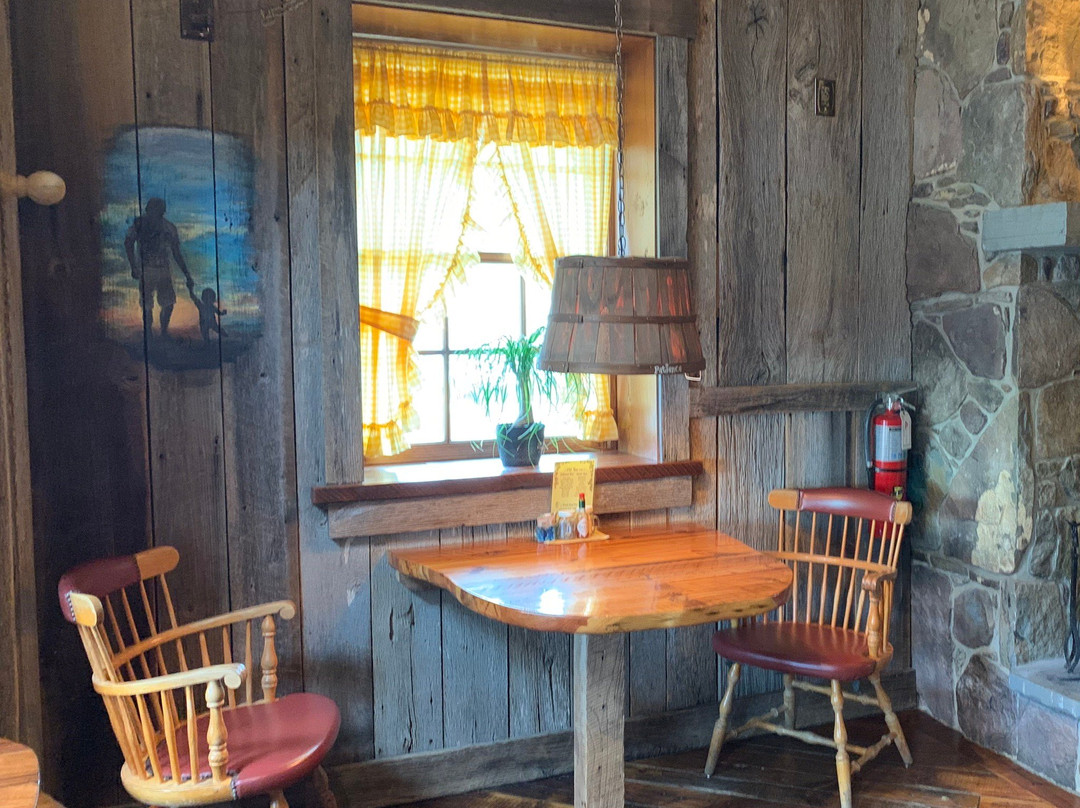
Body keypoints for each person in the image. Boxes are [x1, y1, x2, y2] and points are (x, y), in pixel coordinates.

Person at [124, 197, 194, 339]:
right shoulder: (139, 224)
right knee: (147, 304)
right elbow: (128, 243)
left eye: (159, 211)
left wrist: (187, 274)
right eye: (154, 210)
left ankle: (163, 331)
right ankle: (149, 332)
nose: (156, 213)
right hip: (146, 269)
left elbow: (176, 252)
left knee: (168, 303)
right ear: (148, 210)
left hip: (163, 269)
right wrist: (133, 266)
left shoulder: (168, 227)